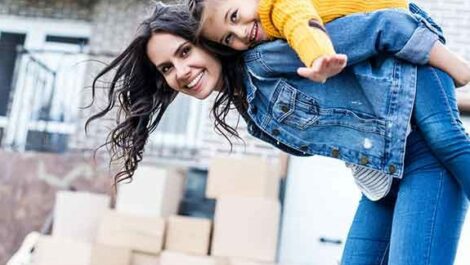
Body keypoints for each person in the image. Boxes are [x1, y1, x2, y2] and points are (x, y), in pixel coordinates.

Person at [85, 3, 467, 263]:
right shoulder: (251, 108)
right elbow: (361, 107)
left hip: (422, 158)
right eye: (167, 68)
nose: (180, 72)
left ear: (207, 42)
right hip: (384, 180)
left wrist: (455, 72)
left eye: (184, 52)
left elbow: (385, 25)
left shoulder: (268, 59)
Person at [189, 0, 470, 86]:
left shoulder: (275, 7)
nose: (241, 33)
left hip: (396, 15)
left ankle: (459, 68)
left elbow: (302, 24)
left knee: (444, 137)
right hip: (386, 33)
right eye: (229, 38)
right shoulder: (267, 35)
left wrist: (318, 58)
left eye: (235, 17)